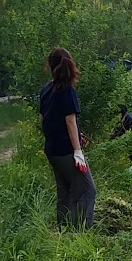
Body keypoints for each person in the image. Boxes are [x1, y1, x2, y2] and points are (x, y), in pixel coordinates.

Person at [39, 48, 95, 229]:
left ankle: (63, 229)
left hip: (52, 149)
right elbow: (70, 121)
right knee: (87, 190)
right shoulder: (67, 91)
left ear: (50, 65)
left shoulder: (46, 90)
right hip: (67, 151)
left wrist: (77, 137)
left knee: (65, 191)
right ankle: (80, 231)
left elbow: (45, 120)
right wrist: (77, 150)